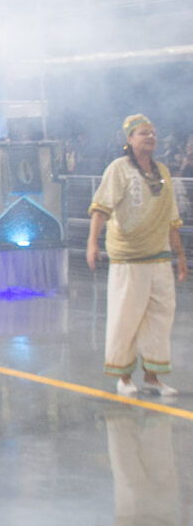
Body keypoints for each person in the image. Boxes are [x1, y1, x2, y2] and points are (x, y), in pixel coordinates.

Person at [87, 114, 187, 398]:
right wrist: (92, 242)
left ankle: (152, 378)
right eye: (143, 133)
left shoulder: (163, 172)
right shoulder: (118, 169)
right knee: (125, 318)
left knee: (159, 318)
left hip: (159, 258)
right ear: (129, 140)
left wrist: (180, 255)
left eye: (153, 133)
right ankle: (124, 378)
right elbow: (101, 208)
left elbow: (171, 218)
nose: (150, 137)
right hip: (128, 259)